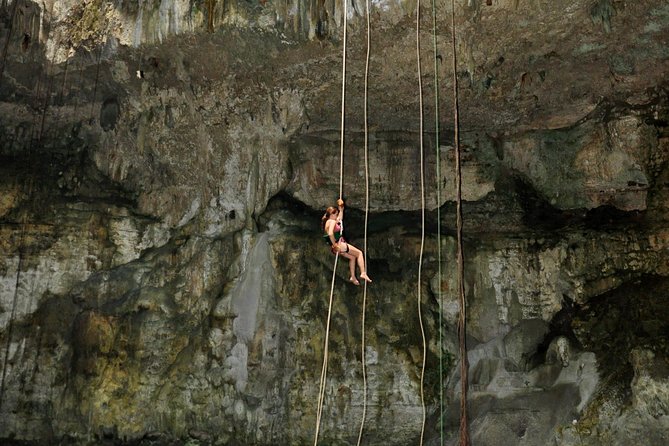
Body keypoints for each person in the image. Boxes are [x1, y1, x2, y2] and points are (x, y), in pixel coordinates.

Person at [321, 199, 372, 285]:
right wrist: (335, 245)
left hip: (338, 247)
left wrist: (341, 209)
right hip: (340, 245)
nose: (337, 216)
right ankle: (363, 272)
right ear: (332, 214)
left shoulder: (328, 222)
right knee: (359, 253)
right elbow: (330, 234)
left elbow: (340, 219)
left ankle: (353, 277)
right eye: (336, 214)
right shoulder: (332, 221)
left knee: (352, 257)